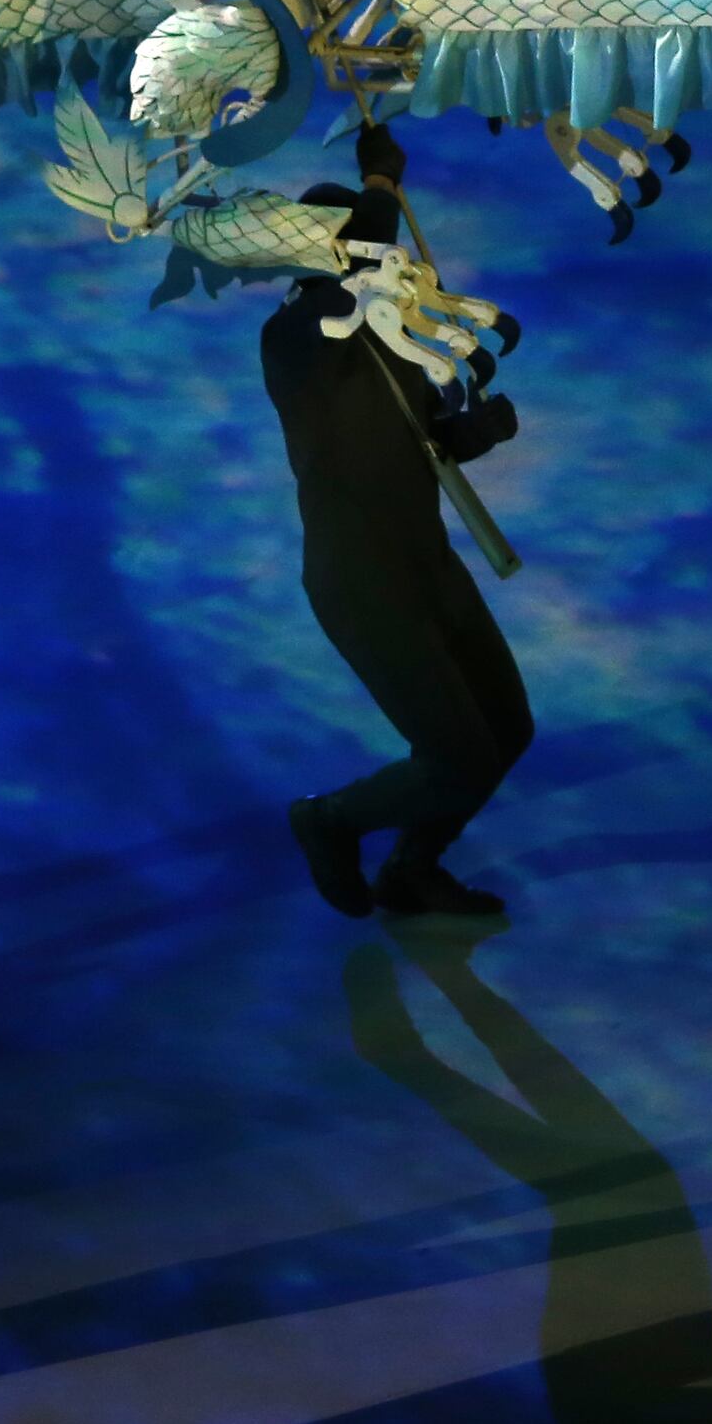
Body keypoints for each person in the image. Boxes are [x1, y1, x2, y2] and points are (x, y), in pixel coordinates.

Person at [276, 120, 534, 919]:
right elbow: (353, 283)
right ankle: (329, 820)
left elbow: (417, 446)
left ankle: (412, 870)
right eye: (361, 245)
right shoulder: (296, 337)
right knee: (457, 757)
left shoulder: (386, 341)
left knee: (505, 729)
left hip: (427, 564)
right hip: (362, 580)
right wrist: (382, 182)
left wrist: (472, 433)